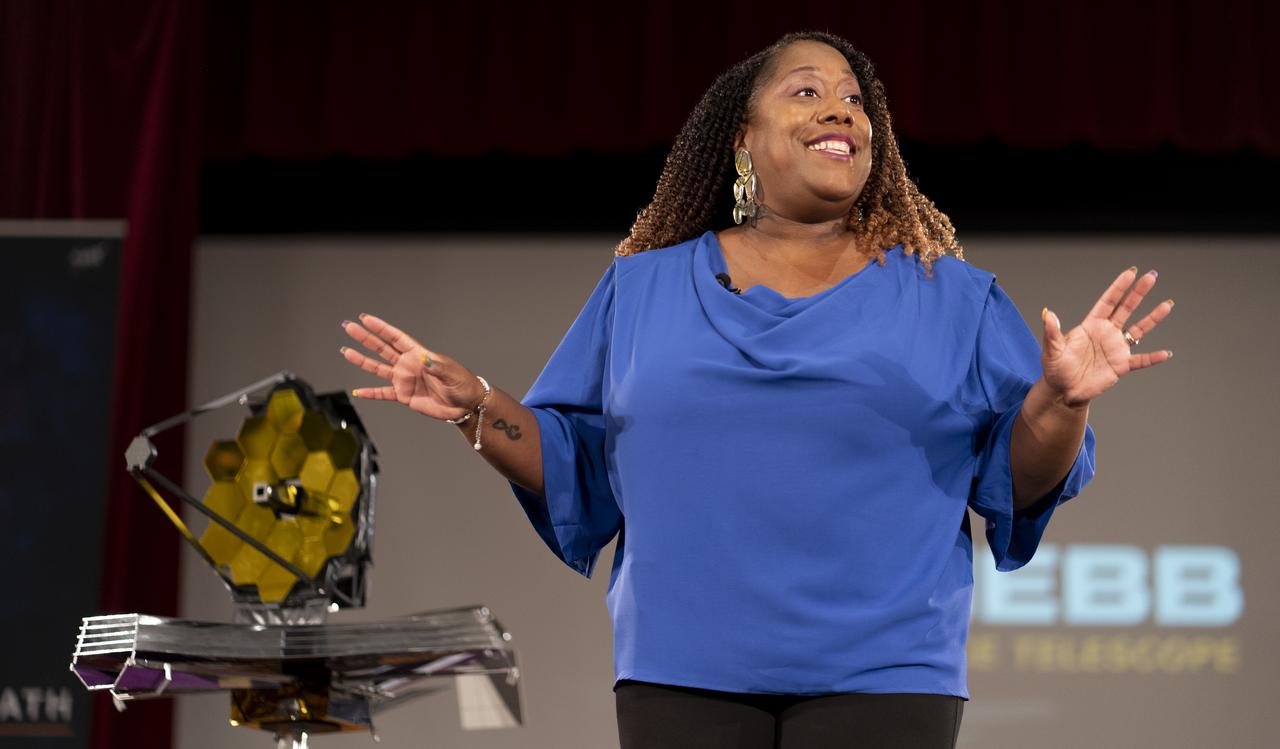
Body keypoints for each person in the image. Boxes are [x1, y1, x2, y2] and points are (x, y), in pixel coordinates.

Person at [339, 31, 1173, 749]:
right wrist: (477, 404)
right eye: (806, 91)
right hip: (680, 669)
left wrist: (1061, 401)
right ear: (743, 139)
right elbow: (579, 466)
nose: (840, 109)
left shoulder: (951, 296)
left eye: (854, 100)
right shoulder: (642, 288)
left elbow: (1018, 481)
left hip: (886, 674)